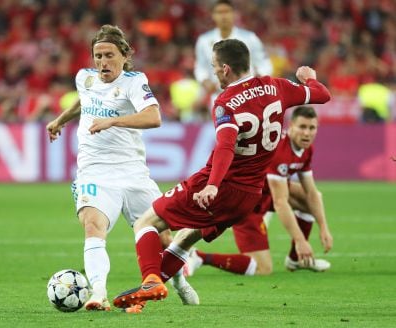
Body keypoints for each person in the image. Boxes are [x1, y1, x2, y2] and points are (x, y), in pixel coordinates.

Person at [112, 38, 331, 312]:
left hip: (221, 185)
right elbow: (322, 95)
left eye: (214, 66)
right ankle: (143, 301)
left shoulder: (226, 102)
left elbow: (226, 145)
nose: (213, 71)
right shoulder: (277, 87)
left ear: (226, 68)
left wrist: (212, 185)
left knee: (145, 222)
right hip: (247, 198)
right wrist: (309, 78)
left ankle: (149, 281)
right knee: (187, 238)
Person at [46, 25, 198, 312]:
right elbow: (86, 100)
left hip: (133, 173)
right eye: (98, 56)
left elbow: (154, 117)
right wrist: (61, 120)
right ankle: (98, 292)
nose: (103, 62)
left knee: (165, 237)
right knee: (93, 225)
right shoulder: (85, 78)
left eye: (109, 55)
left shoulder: (134, 82)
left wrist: (113, 121)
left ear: (125, 56)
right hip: (94, 171)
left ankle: (178, 280)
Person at [185, 106, 334, 277]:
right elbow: (280, 202)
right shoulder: (279, 150)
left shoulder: (306, 149)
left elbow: (311, 192)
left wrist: (323, 227)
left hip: (264, 194)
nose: (307, 133)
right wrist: (301, 241)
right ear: (291, 125)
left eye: (311, 128)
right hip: (245, 202)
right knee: (263, 268)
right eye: (302, 127)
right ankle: (199, 256)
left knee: (310, 199)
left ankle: (295, 259)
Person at [194, 0, 272, 109]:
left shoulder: (250, 38)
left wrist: (259, 78)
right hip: (219, 95)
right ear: (213, 16)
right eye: (219, 12)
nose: (223, 16)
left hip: (248, 94)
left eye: (227, 11)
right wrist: (204, 81)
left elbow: (264, 64)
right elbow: (200, 68)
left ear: (234, 14)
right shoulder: (204, 41)